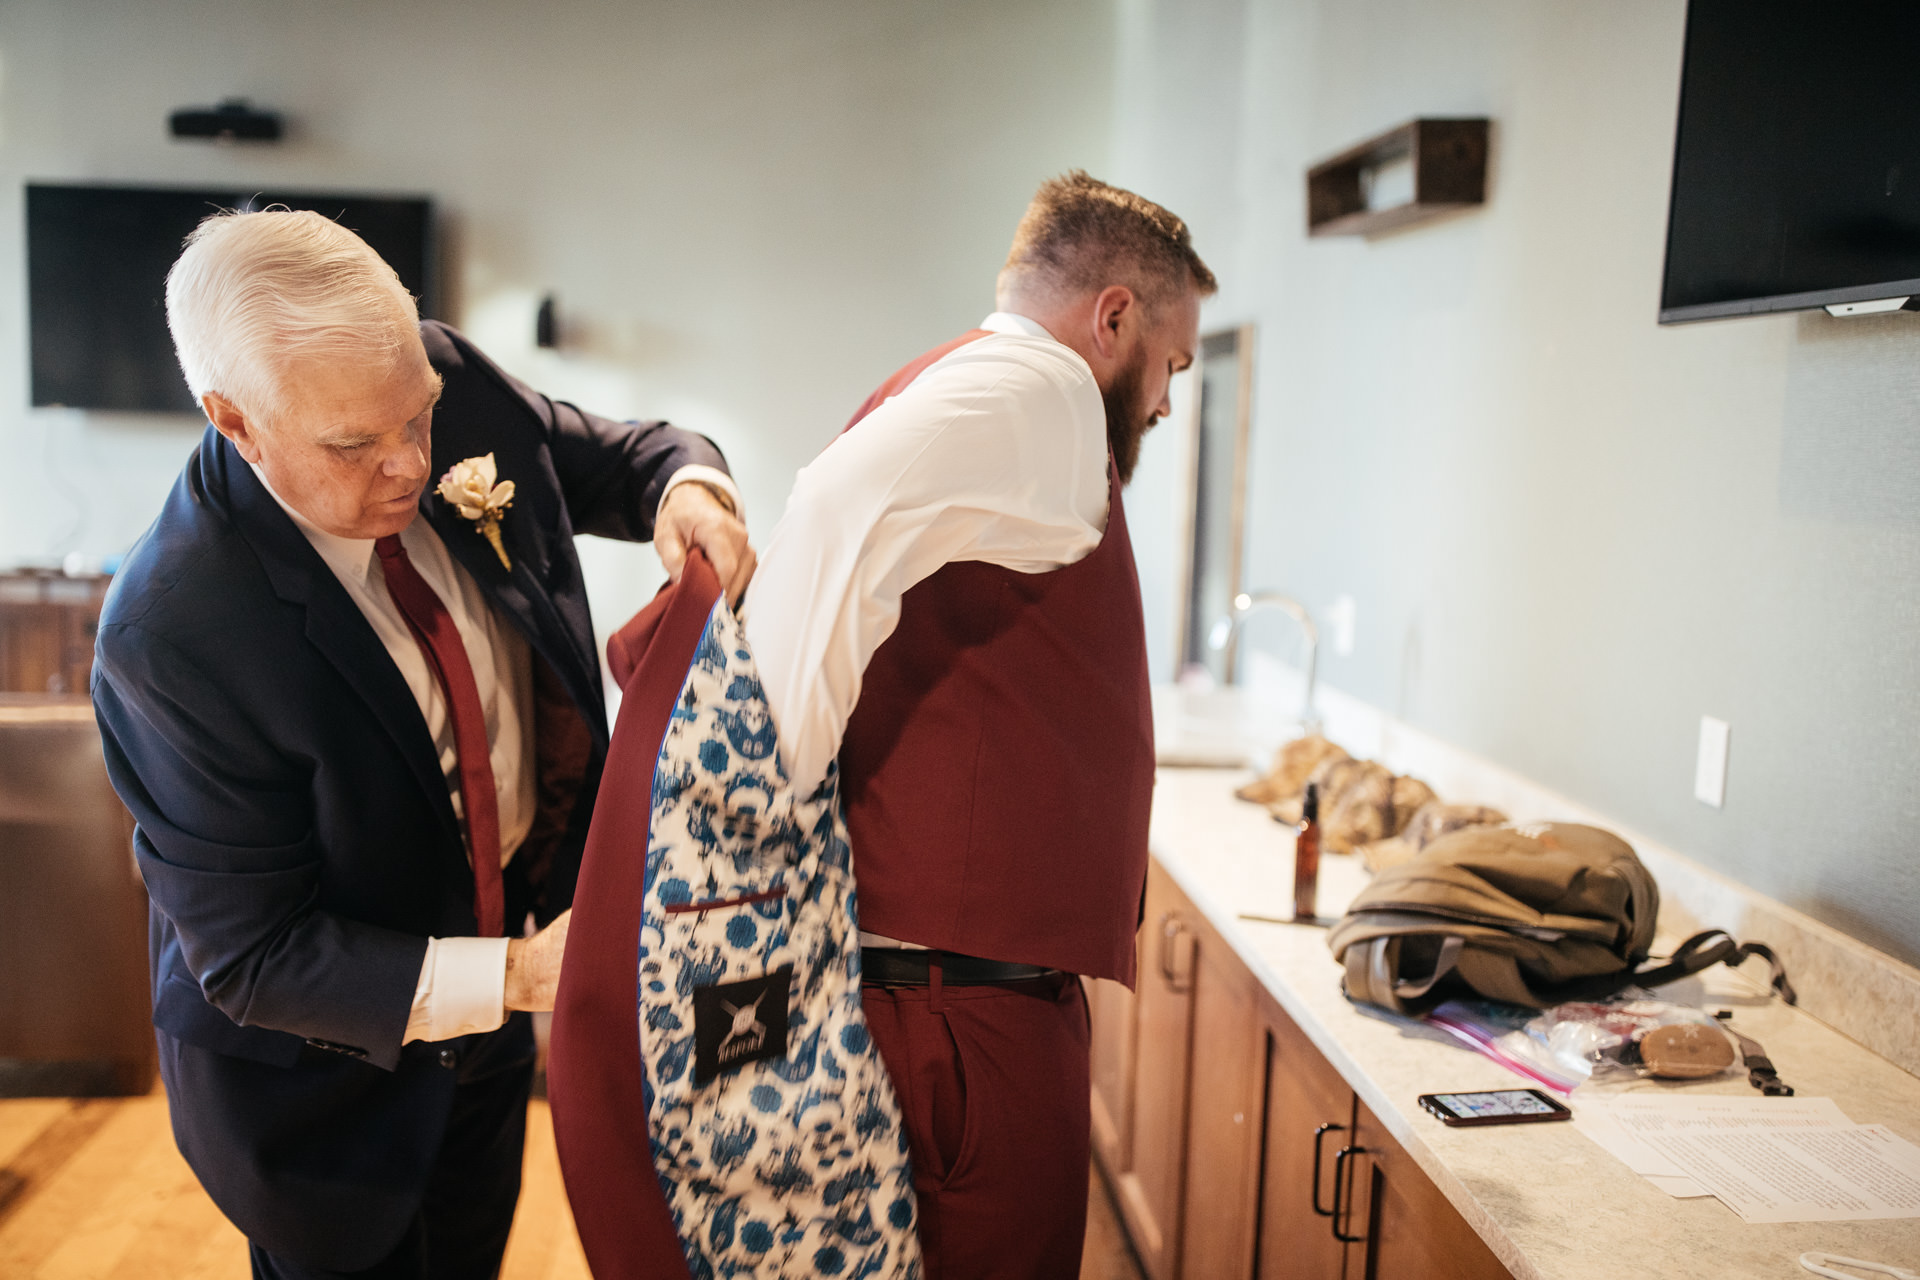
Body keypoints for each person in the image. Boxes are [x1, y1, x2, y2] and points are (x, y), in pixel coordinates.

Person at [91, 208, 751, 1280]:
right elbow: (257, 955)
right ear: (236, 421)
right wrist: (522, 972)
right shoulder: (172, 629)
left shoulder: (438, 374)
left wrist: (689, 490)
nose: (408, 466)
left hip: (497, 1014)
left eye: (420, 419)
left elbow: (632, 456)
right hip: (321, 1099)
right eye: (355, 443)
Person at [743, 171, 1215, 1277]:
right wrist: (761, 820)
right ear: (1113, 318)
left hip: (941, 997)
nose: (1163, 403)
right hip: (960, 1021)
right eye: (1172, 366)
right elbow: (830, 516)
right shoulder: (1040, 390)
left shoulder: (961, 376)